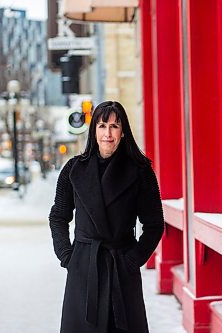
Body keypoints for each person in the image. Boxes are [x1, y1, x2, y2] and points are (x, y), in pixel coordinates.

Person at [49, 101, 165, 333]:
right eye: (102, 126)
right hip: (84, 266)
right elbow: (58, 216)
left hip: (121, 266)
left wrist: (133, 259)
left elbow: (154, 223)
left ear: (123, 132)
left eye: (114, 126)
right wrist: (67, 256)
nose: (108, 133)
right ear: (94, 131)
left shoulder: (141, 171)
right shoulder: (73, 169)